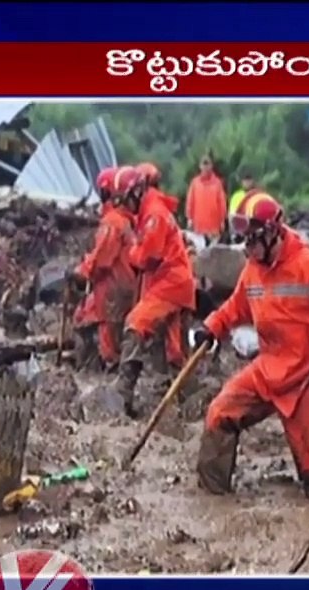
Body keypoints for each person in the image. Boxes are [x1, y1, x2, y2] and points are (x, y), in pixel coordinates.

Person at [191, 192, 309, 497]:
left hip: (306, 377)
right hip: (268, 368)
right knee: (219, 415)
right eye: (243, 241)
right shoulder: (253, 271)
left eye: (252, 241)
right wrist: (212, 328)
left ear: (272, 232)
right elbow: (236, 307)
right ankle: (212, 496)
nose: (247, 249)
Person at [112, 163, 198, 416]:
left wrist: (132, 252)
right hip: (172, 282)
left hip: (171, 283)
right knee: (173, 348)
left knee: (136, 324)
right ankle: (185, 400)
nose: (124, 207)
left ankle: (122, 394)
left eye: (125, 200)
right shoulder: (151, 211)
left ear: (136, 193)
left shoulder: (154, 215)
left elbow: (149, 255)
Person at [66, 166, 138, 370]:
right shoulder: (124, 220)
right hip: (125, 283)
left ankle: (106, 370)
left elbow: (101, 259)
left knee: (105, 329)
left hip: (112, 286)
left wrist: (81, 272)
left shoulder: (113, 222)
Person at [185, 154, 227, 241]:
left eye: (207, 164)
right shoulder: (195, 183)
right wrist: (189, 218)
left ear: (211, 166)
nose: (206, 167)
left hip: (214, 228)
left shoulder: (217, 183)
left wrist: (222, 220)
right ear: (200, 166)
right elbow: (190, 201)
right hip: (198, 227)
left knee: (213, 252)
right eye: (204, 164)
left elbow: (222, 203)